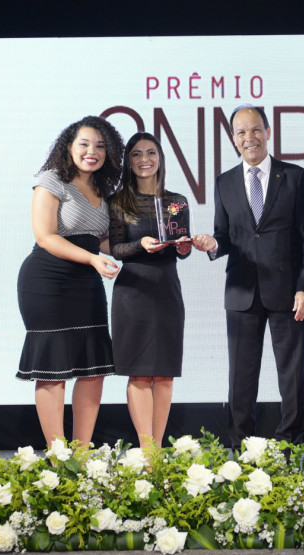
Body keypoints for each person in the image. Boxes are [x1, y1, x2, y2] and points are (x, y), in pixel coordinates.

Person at [193, 104, 304, 449]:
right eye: (241, 132)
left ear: (268, 132)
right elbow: (225, 235)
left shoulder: (294, 176)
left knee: (292, 375)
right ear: (233, 139)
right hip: (241, 291)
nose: (249, 137)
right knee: (241, 375)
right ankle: (239, 444)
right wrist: (212, 244)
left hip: (288, 292)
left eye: (255, 130)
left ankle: (291, 443)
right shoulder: (224, 182)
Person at [17, 116, 124, 447]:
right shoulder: (51, 180)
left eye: (100, 146)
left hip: (86, 283)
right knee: (54, 371)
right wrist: (92, 259)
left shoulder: (103, 189)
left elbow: (99, 241)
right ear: (68, 146)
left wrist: (141, 247)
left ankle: (80, 455)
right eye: (85, 144)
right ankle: (58, 457)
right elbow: (46, 236)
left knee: (94, 369)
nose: (92, 151)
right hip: (48, 282)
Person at [109, 132, 192, 452]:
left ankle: (156, 452)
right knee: (140, 376)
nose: (145, 159)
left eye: (151, 153)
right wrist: (140, 244)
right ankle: (148, 452)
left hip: (167, 291)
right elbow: (116, 248)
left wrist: (184, 246)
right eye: (137, 154)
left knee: (165, 375)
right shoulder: (119, 201)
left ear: (160, 158)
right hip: (133, 293)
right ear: (129, 162)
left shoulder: (177, 201)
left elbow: (181, 249)